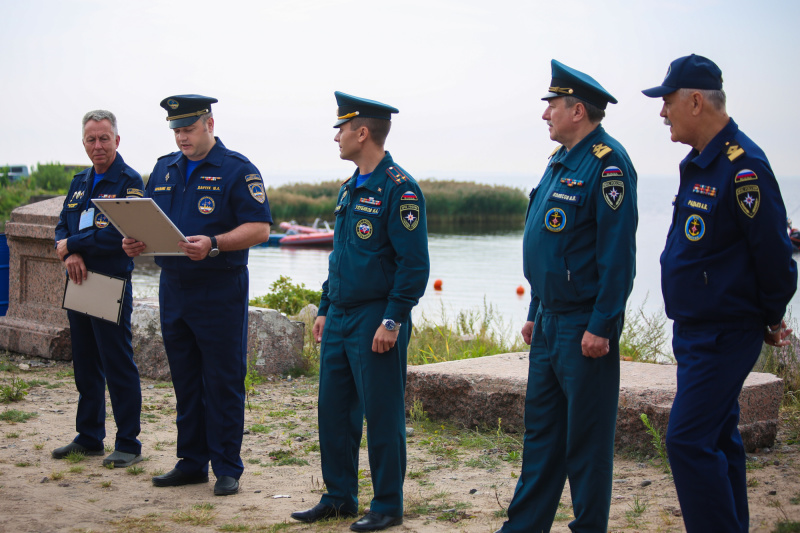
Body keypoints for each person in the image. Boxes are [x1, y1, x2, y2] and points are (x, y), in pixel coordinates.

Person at [642, 54, 797, 532]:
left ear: (694, 100)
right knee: (719, 438)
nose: (662, 112)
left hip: (724, 333)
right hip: (696, 331)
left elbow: (774, 255)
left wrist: (771, 318)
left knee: (687, 441)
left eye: (667, 101)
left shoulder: (743, 166)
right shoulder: (700, 163)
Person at [498, 60, 638, 533]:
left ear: (578, 110)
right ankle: (524, 527)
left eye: (552, 106)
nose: (545, 115)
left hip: (584, 326)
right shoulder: (560, 162)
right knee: (541, 436)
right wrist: (536, 310)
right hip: (552, 322)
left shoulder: (609, 164)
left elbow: (616, 257)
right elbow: (550, 247)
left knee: (587, 441)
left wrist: (602, 324)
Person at [290, 92, 429, 532]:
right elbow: (341, 256)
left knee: (382, 413)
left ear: (362, 132)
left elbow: (414, 265)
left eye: (342, 128)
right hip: (341, 316)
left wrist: (393, 319)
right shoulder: (351, 187)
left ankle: (387, 504)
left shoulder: (399, 189)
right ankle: (339, 497)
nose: (336, 137)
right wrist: (325, 307)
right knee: (333, 411)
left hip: (376, 317)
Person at [122, 94, 272, 496]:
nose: (181, 138)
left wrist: (216, 243)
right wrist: (136, 242)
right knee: (186, 379)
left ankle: (227, 467)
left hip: (219, 288)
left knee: (222, 380)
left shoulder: (237, 170)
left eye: (187, 129)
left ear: (209, 123)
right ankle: (191, 462)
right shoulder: (163, 168)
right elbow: (149, 219)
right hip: (174, 286)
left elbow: (260, 229)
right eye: (176, 130)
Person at [53, 110, 144, 468]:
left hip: (109, 282)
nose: (98, 145)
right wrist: (70, 251)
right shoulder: (79, 182)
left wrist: (74, 244)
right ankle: (89, 436)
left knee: (117, 363)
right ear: (84, 143)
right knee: (86, 365)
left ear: (117, 141)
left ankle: (128, 443)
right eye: (91, 139)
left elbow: (120, 233)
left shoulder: (128, 182)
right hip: (78, 281)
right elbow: (62, 226)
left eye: (104, 138)